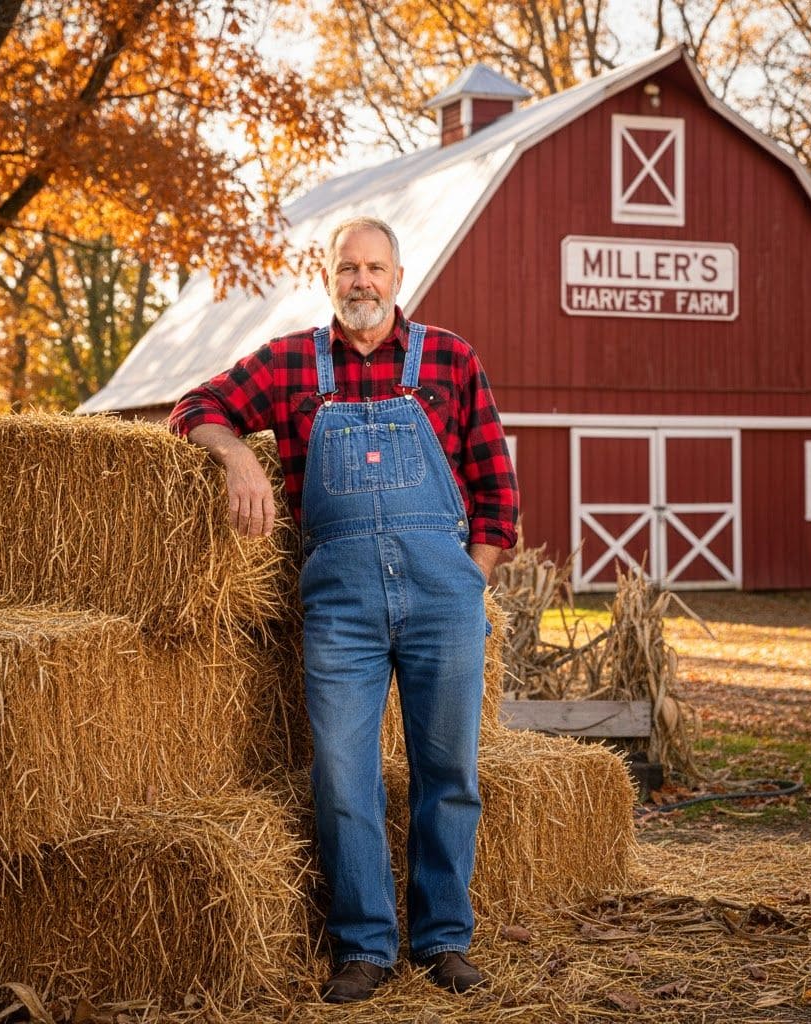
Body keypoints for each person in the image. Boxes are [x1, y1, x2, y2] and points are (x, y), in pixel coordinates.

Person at [169, 216, 519, 1003]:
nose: (362, 281)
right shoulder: (294, 361)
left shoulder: (451, 359)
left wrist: (470, 580)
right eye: (348, 268)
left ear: (399, 276)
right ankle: (365, 947)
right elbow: (194, 406)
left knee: (449, 774)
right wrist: (235, 460)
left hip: (444, 602)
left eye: (375, 268)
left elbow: (498, 494)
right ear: (328, 276)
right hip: (342, 613)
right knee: (342, 780)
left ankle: (443, 940)